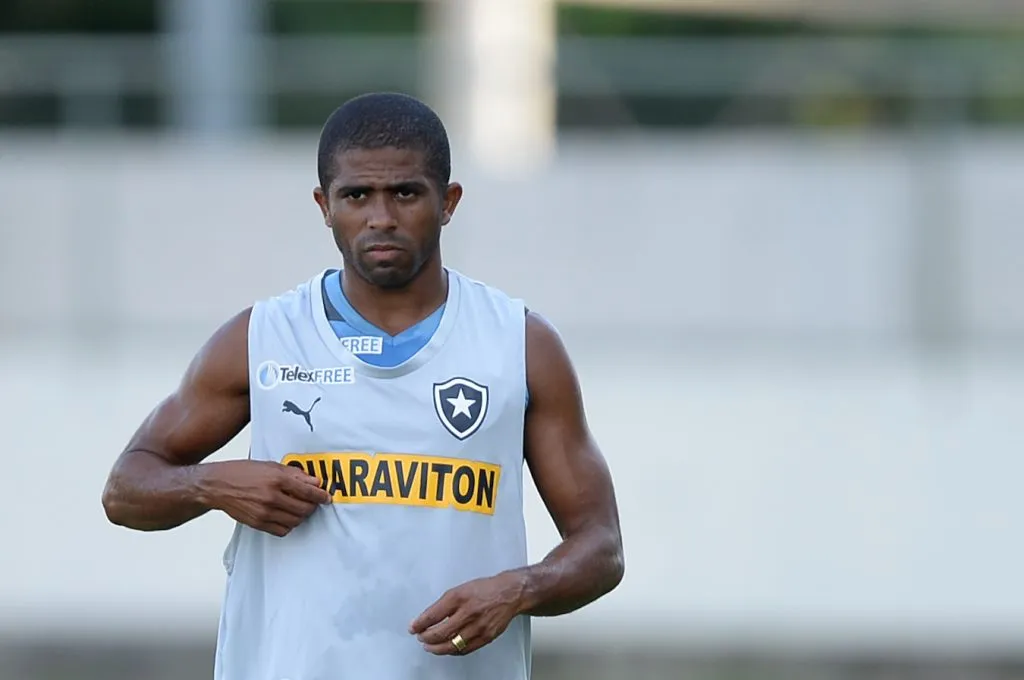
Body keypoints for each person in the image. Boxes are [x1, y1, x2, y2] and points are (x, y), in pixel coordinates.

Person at [101, 92, 624, 680]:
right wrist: (210, 485)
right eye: (356, 196)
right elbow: (125, 490)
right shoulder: (264, 338)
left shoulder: (518, 344)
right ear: (325, 206)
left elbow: (600, 546)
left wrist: (519, 588)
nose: (381, 217)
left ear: (448, 202)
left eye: (405, 193)